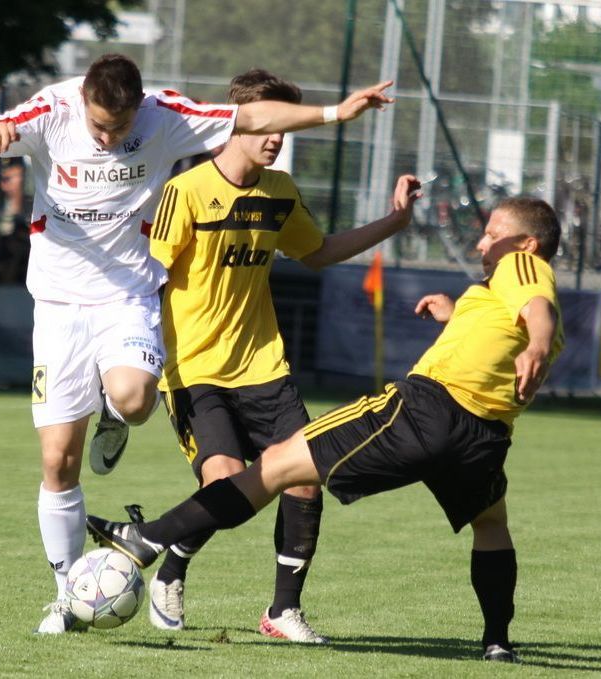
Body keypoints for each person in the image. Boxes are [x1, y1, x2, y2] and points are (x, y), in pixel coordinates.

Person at [0, 52, 394, 634]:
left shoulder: (166, 116)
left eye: (120, 127)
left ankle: (115, 411)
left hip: (127, 295)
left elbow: (251, 117)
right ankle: (67, 596)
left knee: (134, 400)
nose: (108, 139)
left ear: (140, 107)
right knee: (57, 460)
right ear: (82, 100)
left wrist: (336, 112)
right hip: (58, 304)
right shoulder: (49, 112)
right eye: (98, 127)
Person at [87, 196, 564, 663]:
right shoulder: (500, 287)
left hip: (425, 410)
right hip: (485, 434)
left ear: (525, 244)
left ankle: (147, 538)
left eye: (494, 235)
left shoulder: (522, 268)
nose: (483, 243)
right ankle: (497, 641)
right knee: (491, 524)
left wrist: (537, 346)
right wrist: (457, 314)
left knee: (277, 466)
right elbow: (511, 325)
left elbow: (536, 310)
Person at [144, 69, 422, 644]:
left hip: (265, 367)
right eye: (268, 124)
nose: (275, 137)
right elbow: (147, 278)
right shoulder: (187, 190)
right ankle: (170, 569)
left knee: (302, 479)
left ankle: (283, 612)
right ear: (238, 120)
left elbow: (317, 253)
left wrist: (394, 222)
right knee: (223, 480)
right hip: (195, 371)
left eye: (282, 128)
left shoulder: (280, 191)